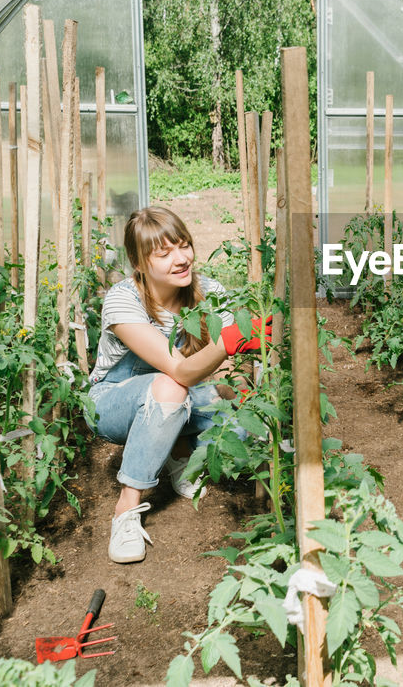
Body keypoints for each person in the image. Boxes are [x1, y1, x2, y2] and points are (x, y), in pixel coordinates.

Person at [86, 206, 266, 564]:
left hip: (182, 396)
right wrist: (229, 340)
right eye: (164, 253)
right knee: (170, 388)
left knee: (244, 428)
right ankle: (125, 510)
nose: (181, 259)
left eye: (184, 246)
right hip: (114, 404)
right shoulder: (124, 299)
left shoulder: (209, 292)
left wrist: (248, 402)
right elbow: (180, 373)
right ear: (139, 263)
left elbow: (226, 369)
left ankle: (178, 452)